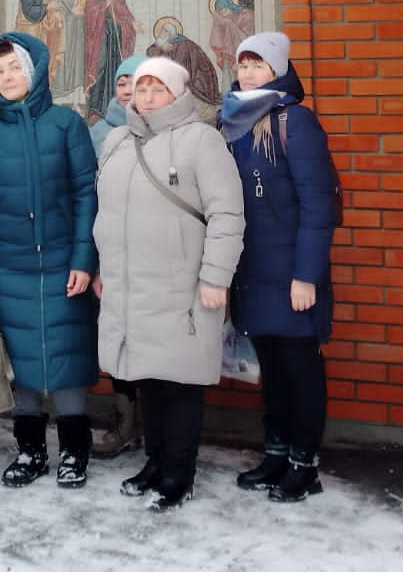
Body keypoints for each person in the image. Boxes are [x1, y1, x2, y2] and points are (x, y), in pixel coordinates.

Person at [93, 56, 244, 512]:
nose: (148, 98)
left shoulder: (202, 141)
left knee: (179, 386)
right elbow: (107, 214)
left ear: (179, 93)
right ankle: (155, 463)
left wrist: (216, 277)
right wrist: (102, 267)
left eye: (158, 89)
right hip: (131, 286)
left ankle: (179, 473)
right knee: (149, 381)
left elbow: (226, 215)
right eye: (142, 89)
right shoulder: (118, 142)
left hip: (182, 289)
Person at [0, 31, 100, 489]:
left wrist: (85, 259)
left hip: (64, 263)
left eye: (15, 68)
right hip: (7, 265)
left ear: (36, 70)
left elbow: (87, 195)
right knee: (19, 362)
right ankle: (30, 451)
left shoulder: (66, 125)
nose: (7, 78)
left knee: (68, 357)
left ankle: (75, 452)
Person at [218, 31, 338, 503]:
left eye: (257, 64)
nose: (247, 72)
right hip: (253, 271)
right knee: (270, 366)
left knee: (299, 368)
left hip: (291, 274)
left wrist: (306, 276)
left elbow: (317, 204)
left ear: (277, 70)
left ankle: (304, 464)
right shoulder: (233, 122)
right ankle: (276, 453)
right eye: (242, 64)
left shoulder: (295, 122)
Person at [87, 52, 145, 461]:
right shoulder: (98, 133)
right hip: (110, 257)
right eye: (122, 82)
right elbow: (88, 200)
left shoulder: (168, 130)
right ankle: (125, 423)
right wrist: (93, 263)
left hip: (154, 257)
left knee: (156, 343)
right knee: (120, 341)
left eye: (136, 82)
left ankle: (155, 427)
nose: (126, 90)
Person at [84, 0, 137, 118]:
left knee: (114, 66)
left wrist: (132, 21)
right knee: (100, 66)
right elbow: (89, 8)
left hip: (116, 30)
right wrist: (103, 5)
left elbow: (122, 7)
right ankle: (95, 108)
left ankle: (114, 105)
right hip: (101, 30)